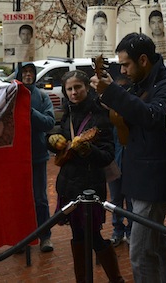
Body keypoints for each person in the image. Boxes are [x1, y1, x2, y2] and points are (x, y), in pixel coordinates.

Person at [90, 33, 166, 283]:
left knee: (140, 253)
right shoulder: (141, 83)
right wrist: (109, 92)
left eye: (126, 64)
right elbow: (130, 109)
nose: (122, 69)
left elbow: (151, 116)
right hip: (140, 177)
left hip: (154, 181)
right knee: (157, 245)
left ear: (143, 60)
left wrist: (112, 92)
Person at [46, 71, 122, 283]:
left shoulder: (99, 114)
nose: (74, 92)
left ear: (87, 87)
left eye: (78, 87)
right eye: (69, 89)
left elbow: (107, 155)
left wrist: (88, 150)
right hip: (68, 185)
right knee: (78, 236)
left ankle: (116, 278)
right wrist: (52, 141)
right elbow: (60, 142)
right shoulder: (68, 111)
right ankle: (83, 279)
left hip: (89, 187)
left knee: (92, 236)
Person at [17, 62, 56, 253]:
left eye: (31, 72)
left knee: (40, 198)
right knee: (19, 199)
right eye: (24, 71)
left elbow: (49, 122)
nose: (28, 75)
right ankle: (22, 238)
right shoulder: (12, 95)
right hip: (16, 157)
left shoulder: (41, 96)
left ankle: (45, 236)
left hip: (38, 156)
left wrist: (31, 112)